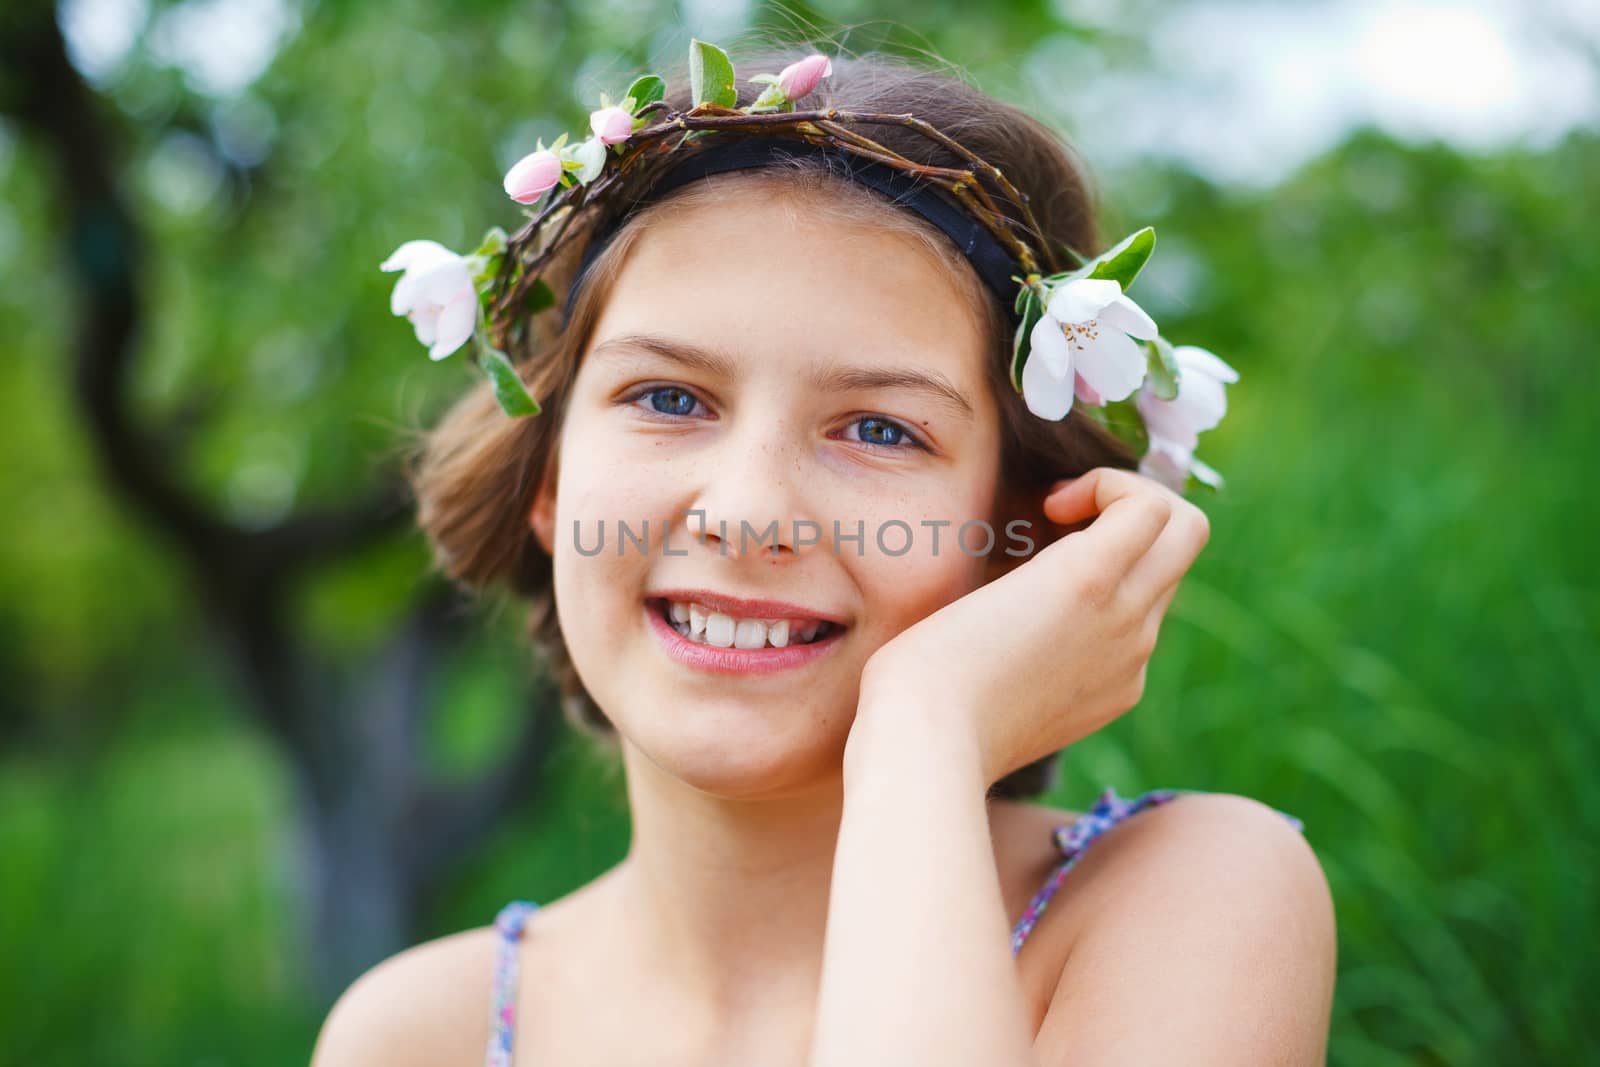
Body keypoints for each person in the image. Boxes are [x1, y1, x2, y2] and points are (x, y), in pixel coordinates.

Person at [313, 38, 1336, 1067]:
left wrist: (921, 726)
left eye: (880, 428)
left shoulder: (1189, 897)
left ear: (1014, 533)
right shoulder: (411, 1035)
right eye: (667, 397)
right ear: (547, 481)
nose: (749, 513)